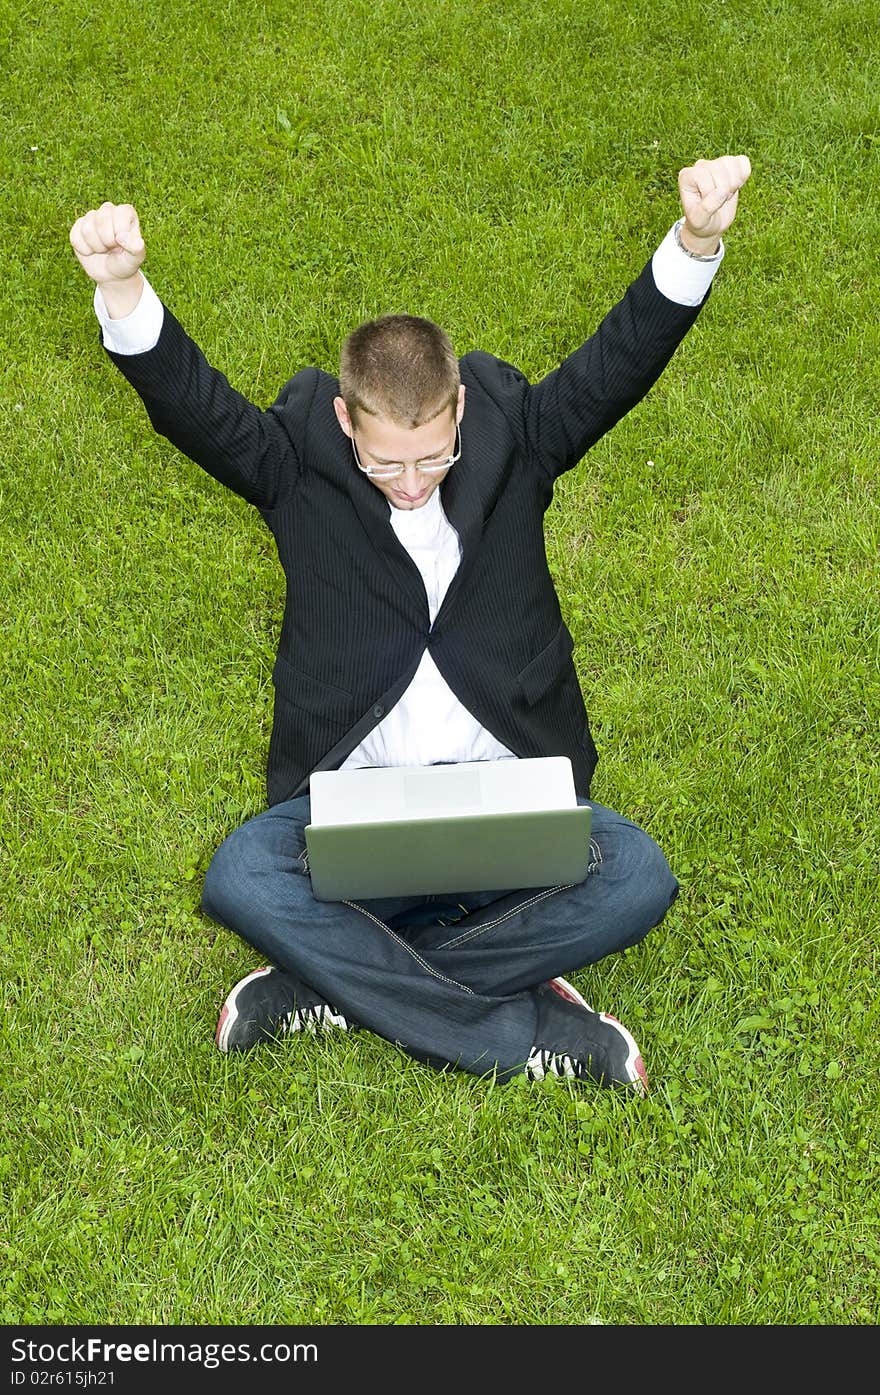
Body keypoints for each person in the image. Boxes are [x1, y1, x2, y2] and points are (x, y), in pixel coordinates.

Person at [69, 154, 751, 1097]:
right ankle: (523, 1029)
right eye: (388, 464)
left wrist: (697, 241)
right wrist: (125, 289)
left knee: (636, 874)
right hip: (356, 821)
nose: (414, 481)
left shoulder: (517, 438)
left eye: (434, 454)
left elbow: (615, 365)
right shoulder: (296, 468)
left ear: (459, 408)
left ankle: (334, 982)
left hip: (507, 814)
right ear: (347, 421)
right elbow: (196, 408)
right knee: (240, 877)